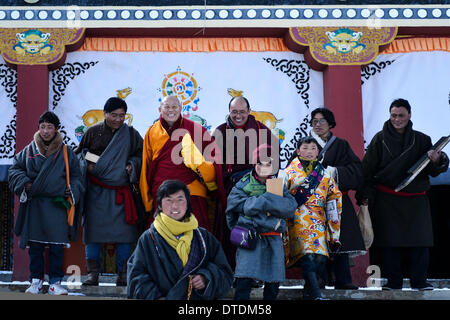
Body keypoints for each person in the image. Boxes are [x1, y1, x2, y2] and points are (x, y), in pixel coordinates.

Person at [356, 98, 449, 291]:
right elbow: (367, 169)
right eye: (393, 115)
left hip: (416, 199)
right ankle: (394, 282)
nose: (397, 119)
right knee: (390, 243)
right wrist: (364, 193)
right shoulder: (380, 139)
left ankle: (420, 281)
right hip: (388, 198)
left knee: (420, 242)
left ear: (409, 115)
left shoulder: (422, 139)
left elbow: (432, 171)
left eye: (401, 115)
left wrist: (437, 160)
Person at [8, 111, 83, 295]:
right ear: (39, 128)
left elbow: (77, 175)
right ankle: (36, 282)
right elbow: (14, 169)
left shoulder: (66, 152)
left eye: (50, 127)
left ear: (57, 129)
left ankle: (55, 283)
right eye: (42, 127)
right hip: (35, 203)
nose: (46, 131)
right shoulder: (28, 151)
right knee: (35, 246)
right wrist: (24, 182)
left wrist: (71, 189)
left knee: (57, 246)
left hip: (56, 204)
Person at [75, 97, 143, 286]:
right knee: (92, 233)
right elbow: (81, 153)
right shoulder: (93, 132)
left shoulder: (130, 134)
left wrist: (131, 165)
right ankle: (92, 274)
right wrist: (94, 164)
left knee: (124, 234)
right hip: (96, 191)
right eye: (114, 115)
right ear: (105, 114)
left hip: (121, 192)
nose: (118, 119)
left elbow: (140, 155)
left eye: (122, 116)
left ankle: (123, 275)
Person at [127, 179, 233, 300]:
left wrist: (206, 278)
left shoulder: (204, 238)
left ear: (187, 203)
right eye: (168, 200)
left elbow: (225, 273)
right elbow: (135, 277)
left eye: (180, 199)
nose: (175, 206)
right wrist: (154, 296)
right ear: (160, 205)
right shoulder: (148, 239)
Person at [139, 95, 226, 231]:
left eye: (174, 107)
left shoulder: (195, 129)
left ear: (181, 108)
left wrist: (203, 167)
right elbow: (146, 166)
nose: (170, 110)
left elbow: (213, 156)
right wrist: (147, 199)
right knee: (161, 234)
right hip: (162, 187)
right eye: (166, 107)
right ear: (159, 109)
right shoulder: (152, 132)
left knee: (197, 229)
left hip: (191, 187)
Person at [213, 96, 279, 265]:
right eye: (234, 112)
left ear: (249, 111)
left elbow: (274, 161)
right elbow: (213, 164)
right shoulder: (220, 131)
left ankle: (256, 272)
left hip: (258, 191)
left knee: (256, 231)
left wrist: (274, 194)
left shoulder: (261, 129)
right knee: (231, 230)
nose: (238, 115)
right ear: (229, 111)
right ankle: (231, 270)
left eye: (242, 111)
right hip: (231, 190)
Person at [226, 144, 297, 300]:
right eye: (260, 163)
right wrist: (266, 204)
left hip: (273, 239)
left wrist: (260, 204)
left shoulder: (278, 186)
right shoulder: (243, 184)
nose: (264, 167)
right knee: (244, 279)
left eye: (268, 164)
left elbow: (290, 207)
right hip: (250, 237)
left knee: (273, 283)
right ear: (254, 164)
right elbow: (234, 208)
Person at [309, 107, 366, 289]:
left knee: (340, 240)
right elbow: (294, 168)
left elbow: (357, 170)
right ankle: (318, 279)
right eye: (315, 121)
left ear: (331, 123)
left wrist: (335, 172)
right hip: (314, 202)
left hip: (337, 200)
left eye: (322, 121)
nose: (318, 125)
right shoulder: (305, 144)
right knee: (317, 240)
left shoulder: (341, 145)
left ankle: (343, 279)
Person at [284, 137, 342, 300]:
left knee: (320, 258)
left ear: (318, 152)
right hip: (297, 220)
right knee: (307, 257)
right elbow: (276, 196)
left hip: (318, 220)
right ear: (297, 151)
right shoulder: (288, 172)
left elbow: (334, 196)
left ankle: (308, 292)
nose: (309, 151)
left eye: (313, 148)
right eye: (305, 147)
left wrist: (333, 226)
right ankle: (316, 294)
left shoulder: (325, 174)